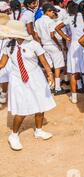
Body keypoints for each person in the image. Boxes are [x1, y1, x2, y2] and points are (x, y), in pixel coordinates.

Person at [0, 20, 55, 151]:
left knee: (40, 105)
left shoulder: (34, 45)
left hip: (36, 77)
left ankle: (39, 130)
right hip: (18, 80)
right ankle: (13, 135)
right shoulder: (8, 45)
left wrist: (50, 74)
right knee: (21, 109)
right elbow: (2, 64)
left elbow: (44, 61)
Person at [34, 4, 67, 95]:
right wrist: (58, 45)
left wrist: (40, 43)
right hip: (52, 45)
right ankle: (57, 88)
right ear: (48, 11)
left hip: (44, 45)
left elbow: (36, 35)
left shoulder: (37, 21)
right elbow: (52, 35)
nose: (54, 14)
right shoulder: (50, 21)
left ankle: (50, 85)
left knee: (49, 66)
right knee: (58, 66)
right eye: (53, 12)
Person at [66, 2, 84, 104]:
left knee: (73, 72)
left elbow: (57, 28)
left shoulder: (70, 19)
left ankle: (74, 97)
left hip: (74, 46)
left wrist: (67, 37)